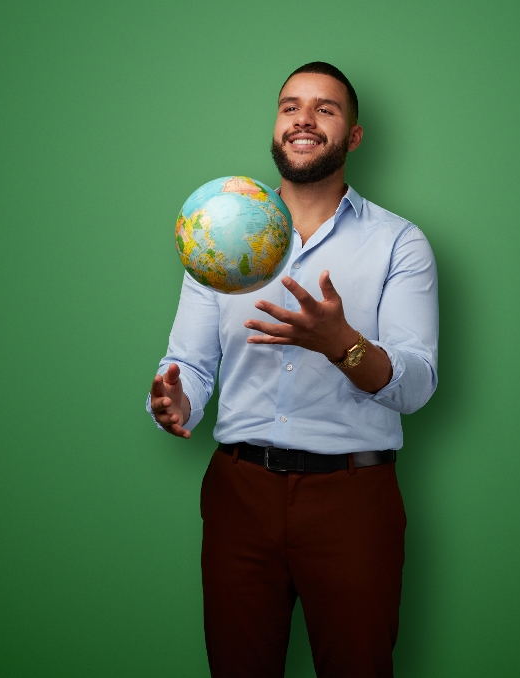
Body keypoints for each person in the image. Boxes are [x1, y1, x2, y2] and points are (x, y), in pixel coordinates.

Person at [147, 62, 438, 678]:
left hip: (353, 499)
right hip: (239, 495)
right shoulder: (219, 236)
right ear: (276, 127)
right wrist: (176, 400)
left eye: (325, 108)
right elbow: (190, 365)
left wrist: (342, 345)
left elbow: (416, 382)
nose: (303, 118)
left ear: (353, 137)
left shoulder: (398, 243)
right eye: (290, 106)